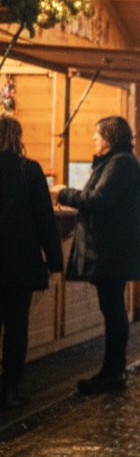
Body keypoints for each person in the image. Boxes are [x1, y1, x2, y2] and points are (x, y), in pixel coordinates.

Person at [56, 115, 140, 394]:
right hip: (113, 251)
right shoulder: (121, 162)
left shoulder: (119, 163)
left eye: (97, 135)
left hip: (110, 251)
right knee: (113, 309)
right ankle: (112, 370)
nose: (93, 140)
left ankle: (113, 372)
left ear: (109, 137)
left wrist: (63, 193)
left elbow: (98, 199)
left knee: (114, 310)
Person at [0, 115, 63, 408]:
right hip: (20, 263)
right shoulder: (29, 170)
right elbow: (45, 222)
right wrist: (55, 261)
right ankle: (10, 388)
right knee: (16, 326)